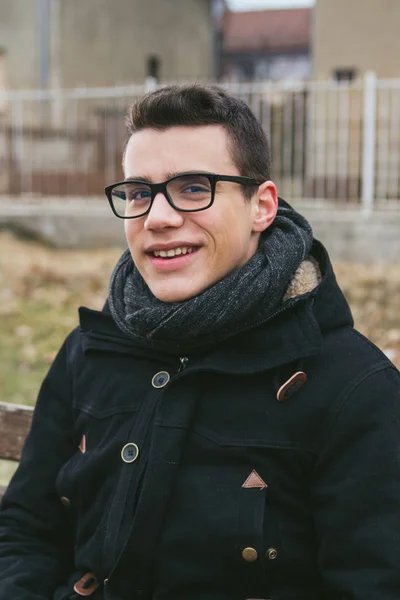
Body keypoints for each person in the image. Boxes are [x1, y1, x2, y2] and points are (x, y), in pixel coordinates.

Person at [0, 84, 399, 600]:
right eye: (140, 192)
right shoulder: (90, 349)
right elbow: (26, 531)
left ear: (262, 206)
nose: (158, 218)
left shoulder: (353, 388)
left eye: (193, 188)